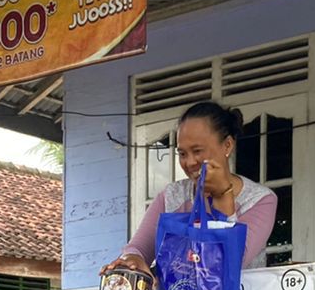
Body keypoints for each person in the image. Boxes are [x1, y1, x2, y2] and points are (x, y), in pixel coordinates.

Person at [108, 100, 278, 275]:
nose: (189, 162)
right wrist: (132, 260)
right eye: (182, 153)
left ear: (227, 145)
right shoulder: (171, 196)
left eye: (197, 151)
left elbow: (231, 262)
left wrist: (223, 195)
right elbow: (138, 249)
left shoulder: (260, 199)